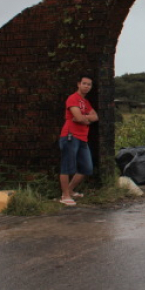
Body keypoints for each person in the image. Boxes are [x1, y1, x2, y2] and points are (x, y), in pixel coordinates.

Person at [58, 74, 98, 206]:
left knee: (86, 168)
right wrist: (85, 118)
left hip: (82, 137)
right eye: (84, 83)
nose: (86, 86)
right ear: (78, 84)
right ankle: (65, 196)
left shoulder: (86, 102)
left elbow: (95, 117)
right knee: (67, 166)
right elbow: (78, 118)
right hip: (70, 135)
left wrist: (83, 117)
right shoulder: (72, 98)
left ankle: (69, 190)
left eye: (89, 84)